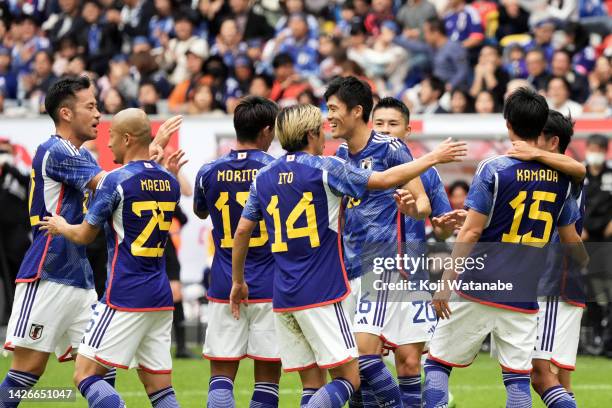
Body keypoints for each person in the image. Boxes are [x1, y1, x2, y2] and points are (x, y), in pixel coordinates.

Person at [230, 103, 466, 408]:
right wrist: (433, 156)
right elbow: (379, 181)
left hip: (285, 294)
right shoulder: (328, 167)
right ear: (311, 134)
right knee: (351, 377)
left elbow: (241, 233)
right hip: (325, 289)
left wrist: (239, 281)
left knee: (315, 382)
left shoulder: (264, 176)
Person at [0, 76, 178, 407]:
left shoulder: (81, 155)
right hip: (47, 272)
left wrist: (145, 156)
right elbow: (114, 182)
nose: (99, 114)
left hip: (80, 279)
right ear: (66, 113)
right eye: (91, 106)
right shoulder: (56, 150)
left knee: (98, 370)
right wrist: (149, 154)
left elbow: (116, 184)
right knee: (27, 371)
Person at [423, 88, 584, 408]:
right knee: (518, 380)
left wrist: (446, 281)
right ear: (541, 128)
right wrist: (587, 260)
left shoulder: (493, 168)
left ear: (508, 124)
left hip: (478, 286)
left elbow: (470, 234)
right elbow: (571, 240)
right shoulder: (562, 178)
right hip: (523, 294)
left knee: (437, 364)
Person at [39, 108, 186, 408]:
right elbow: (144, 178)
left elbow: (84, 235)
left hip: (124, 294)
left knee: (85, 375)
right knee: (160, 389)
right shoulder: (169, 182)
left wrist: (61, 225)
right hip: (159, 297)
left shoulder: (115, 181)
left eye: (113, 137)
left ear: (128, 138)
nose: (108, 145)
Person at [327, 78, 429, 408]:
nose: (328, 116)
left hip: (383, 263)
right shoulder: (340, 155)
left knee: (365, 357)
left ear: (356, 112)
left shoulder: (391, 149)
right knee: (351, 369)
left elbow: (424, 202)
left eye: (332, 109)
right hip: (349, 267)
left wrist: (412, 208)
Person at [371, 97, 463, 407]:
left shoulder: (427, 172)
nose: (385, 130)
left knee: (409, 362)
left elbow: (441, 229)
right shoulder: (358, 165)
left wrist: (446, 226)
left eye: (393, 124)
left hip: (411, 278)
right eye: (379, 123)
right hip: (365, 274)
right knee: (364, 365)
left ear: (408, 130)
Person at [194, 96, 282, 408]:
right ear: (267, 130)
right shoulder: (276, 170)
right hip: (272, 285)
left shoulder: (208, 171)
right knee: (268, 380)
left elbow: (202, 213)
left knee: (220, 378)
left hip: (224, 282)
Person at [507, 110, 586, 408]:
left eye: (534, 136)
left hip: (555, 284)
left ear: (553, 142)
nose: (526, 142)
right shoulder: (538, 175)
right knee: (558, 379)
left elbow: (579, 168)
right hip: (548, 282)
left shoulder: (566, 174)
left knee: (540, 375)